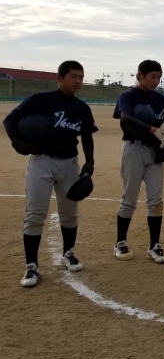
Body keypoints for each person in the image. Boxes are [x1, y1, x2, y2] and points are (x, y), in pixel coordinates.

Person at [3, 60, 97, 287]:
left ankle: (69, 253)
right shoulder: (40, 100)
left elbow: (86, 136)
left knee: (69, 213)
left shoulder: (82, 108)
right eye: (73, 76)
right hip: (41, 162)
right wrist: (18, 143)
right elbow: (10, 119)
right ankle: (31, 267)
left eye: (81, 77)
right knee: (35, 214)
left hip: (69, 164)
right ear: (59, 78)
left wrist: (90, 161)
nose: (78, 81)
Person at [112, 60, 164, 264]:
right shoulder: (128, 96)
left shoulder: (160, 99)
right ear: (140, 75)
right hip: (134, 149)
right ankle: (120, 242)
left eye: (159, 77)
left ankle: (154, 245)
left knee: (156, 201)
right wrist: (152, 129)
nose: (156, 81)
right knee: (129, 199)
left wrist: (163, 130)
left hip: (154, 150)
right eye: (152, 77)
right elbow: (126, 119)